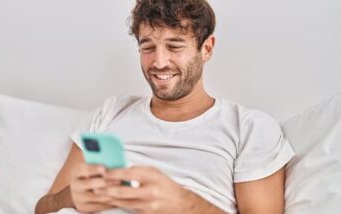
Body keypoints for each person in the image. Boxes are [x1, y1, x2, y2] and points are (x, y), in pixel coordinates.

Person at [35, 0, 295, 213]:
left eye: (174, 46)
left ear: (206, 48)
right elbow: (43, 208)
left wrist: (185, 204)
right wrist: (69, 198)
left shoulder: (250, 128)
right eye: (147, 47)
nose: (159, 62)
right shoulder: (111, 113)